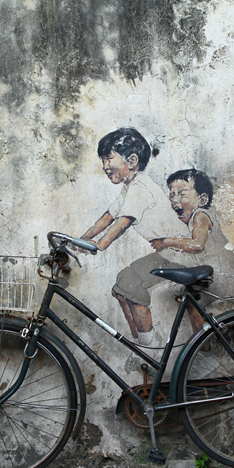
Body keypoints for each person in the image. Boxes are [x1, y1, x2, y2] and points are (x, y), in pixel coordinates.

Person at [79, 128, 189, 365]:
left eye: (109, 158)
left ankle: (150, 349)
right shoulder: (130, 186)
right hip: (166, 253)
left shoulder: (141, 187)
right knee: (122, 288)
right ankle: (141, 342)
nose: (105, 165)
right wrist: (81, 238)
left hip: (178, 254)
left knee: (131, 284)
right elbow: (109, 216)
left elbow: (122, 222)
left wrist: (99, 245)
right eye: (103, 159)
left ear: (131, 160)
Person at [150, 168, 234, 316]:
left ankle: (205, 338)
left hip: (226, 277)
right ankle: (203, 337)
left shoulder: (201, 215)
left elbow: (197, 245)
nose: (174, 199)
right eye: (172, 194)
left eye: (181, 194)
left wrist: (166, 242)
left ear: (202, 199)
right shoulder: (193, 219)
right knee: (192, 303)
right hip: (217, 275)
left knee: (190, 300)